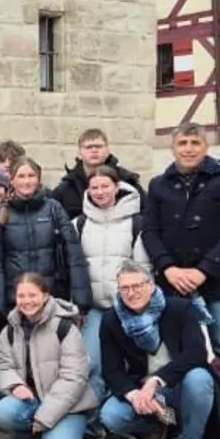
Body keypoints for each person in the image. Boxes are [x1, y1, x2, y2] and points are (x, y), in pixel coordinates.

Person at [143, 122, 220, 439]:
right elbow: (150, 232)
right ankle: (173, 418)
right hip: (173, 283)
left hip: (217, 281)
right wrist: (169, 267)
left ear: (205, 147)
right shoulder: (160, 185)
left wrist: (204, 270)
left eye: (195, 142)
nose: (188, 149)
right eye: (183, 143)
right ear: (173, 147)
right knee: (173, 352)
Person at [98, 261, 218, 439]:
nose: (131, 293)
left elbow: (196, 353)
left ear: (151, 285)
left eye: (137, 286)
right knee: (111, 415)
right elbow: (111, 370)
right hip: (142, 390)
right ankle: (154, 430)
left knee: (200, 378)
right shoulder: (111, 320)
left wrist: (156, 381)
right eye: (125, 288)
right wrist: (135, 396)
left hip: (179, 386)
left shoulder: (179, 309)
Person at [0, 273, 99, 439]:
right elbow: (3, 366)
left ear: (46, 296)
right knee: (4, 411)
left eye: (32, 295)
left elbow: (73, 379)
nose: (26, 301)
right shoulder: (9, 330)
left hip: (68, 406)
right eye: (21, 296)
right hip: (32, 400)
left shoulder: (65, 328)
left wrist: (44, 418)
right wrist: (15, 386)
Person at [76, 165, 149, 418]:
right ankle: (92, 420)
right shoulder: (80, 223)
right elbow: (76, 267)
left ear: (117, 187)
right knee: (92, 363)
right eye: (94, 187)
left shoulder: (136, 222)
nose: (100, 192)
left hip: (127, 306)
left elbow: (143, 267)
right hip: (95, 307)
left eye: (105, 186)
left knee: (131, 364)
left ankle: (127, 417)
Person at [0, 157, 91, 319]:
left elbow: (74, 255)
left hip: (52, 297)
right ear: (12, 180)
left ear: (39, 179)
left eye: (31, 176)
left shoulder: (54, 208)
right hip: (17, 300)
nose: (26, 181)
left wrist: (82, 302)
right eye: (21, 176)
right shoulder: (1, 213)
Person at [51, 128, 145, 221]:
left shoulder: (127, 181)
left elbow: (146, 212)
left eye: (99, 146)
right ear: (79, 152)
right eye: (88, 147)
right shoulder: (67, 187)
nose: (94, 150)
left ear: (108, 151)